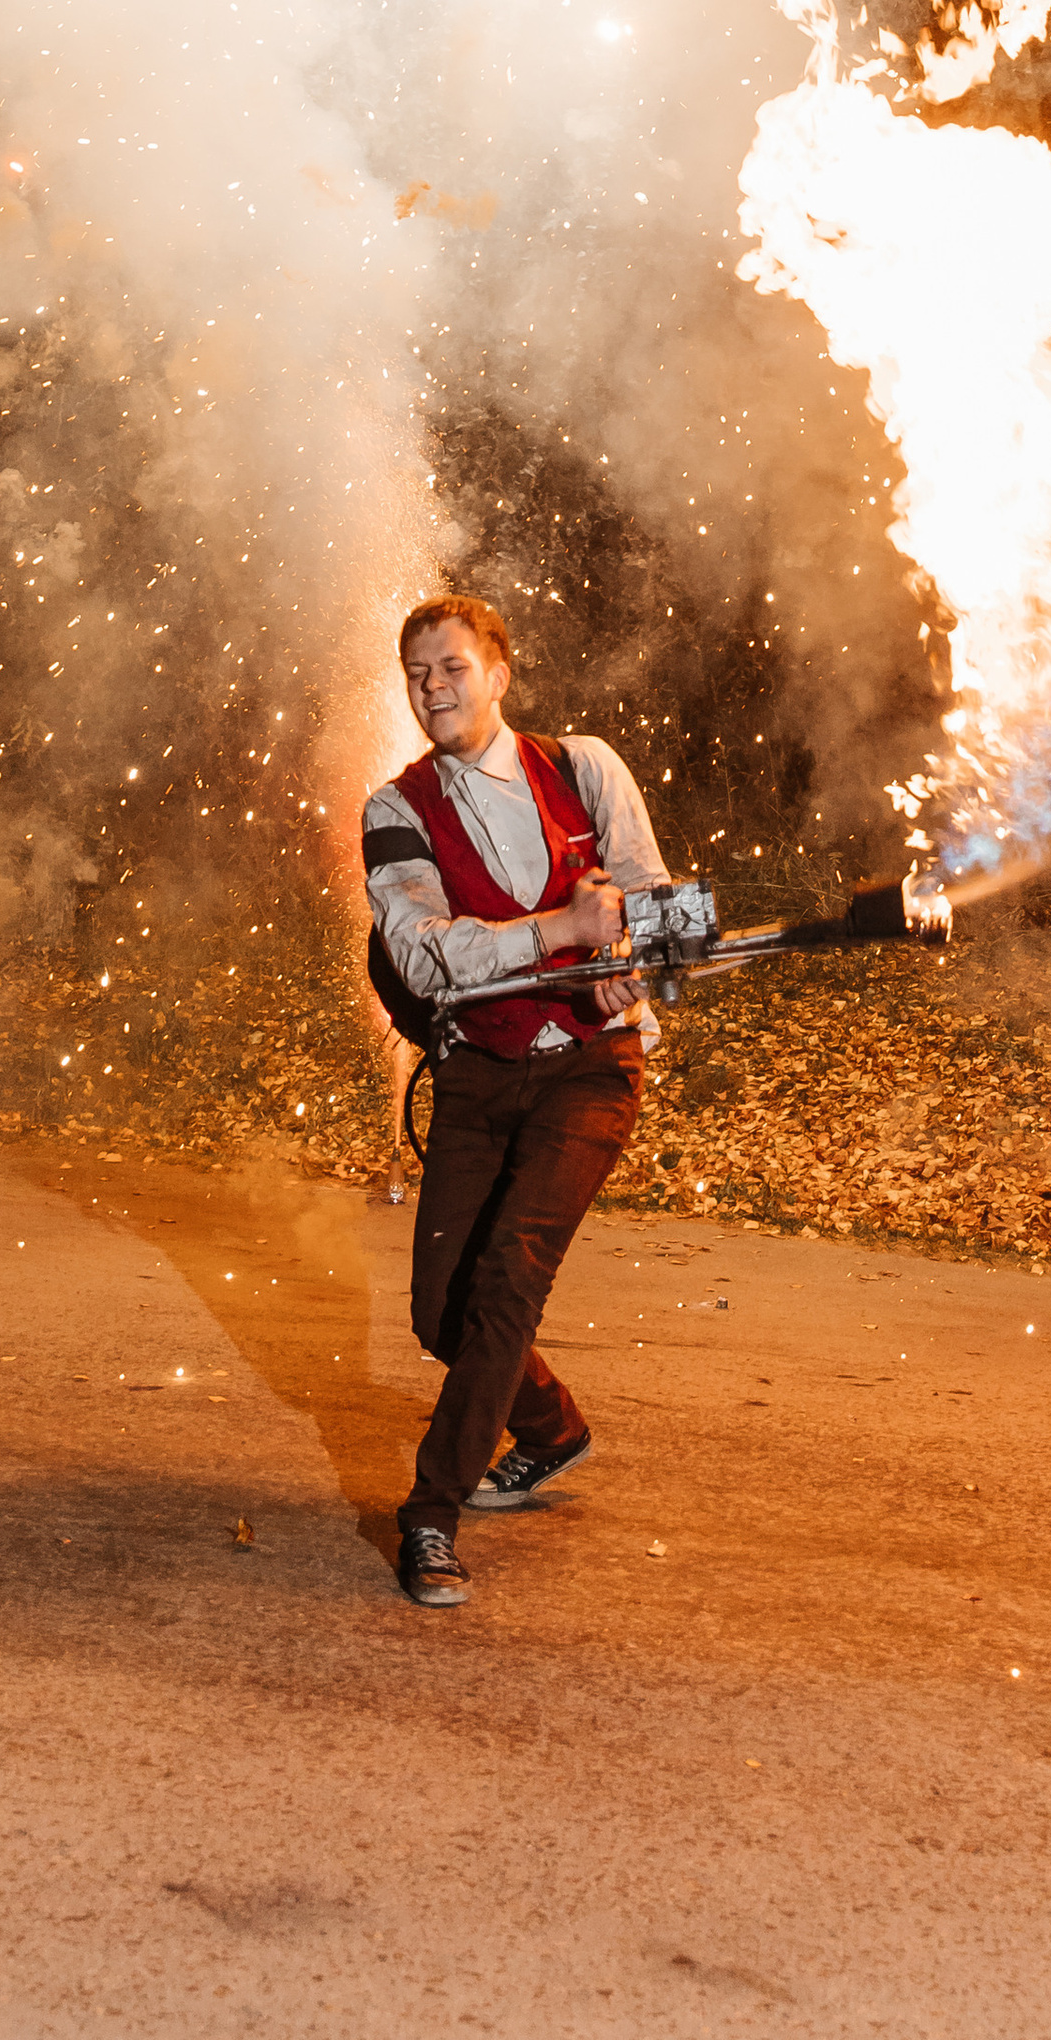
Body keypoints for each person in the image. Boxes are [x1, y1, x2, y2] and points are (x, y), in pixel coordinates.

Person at [361, 591, 672, 1609]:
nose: (432, 687)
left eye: (450, 666)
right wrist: (559, 932)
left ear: (497, 670)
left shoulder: (584, 766)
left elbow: (647, 904)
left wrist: (630, 959)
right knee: (440, 1311)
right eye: (417, 675)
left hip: (589, 1066)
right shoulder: (396, 810)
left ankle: (429, 1515)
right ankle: (550, 1431)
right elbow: (422, 953)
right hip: (481, 1073)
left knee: (508, 1278)